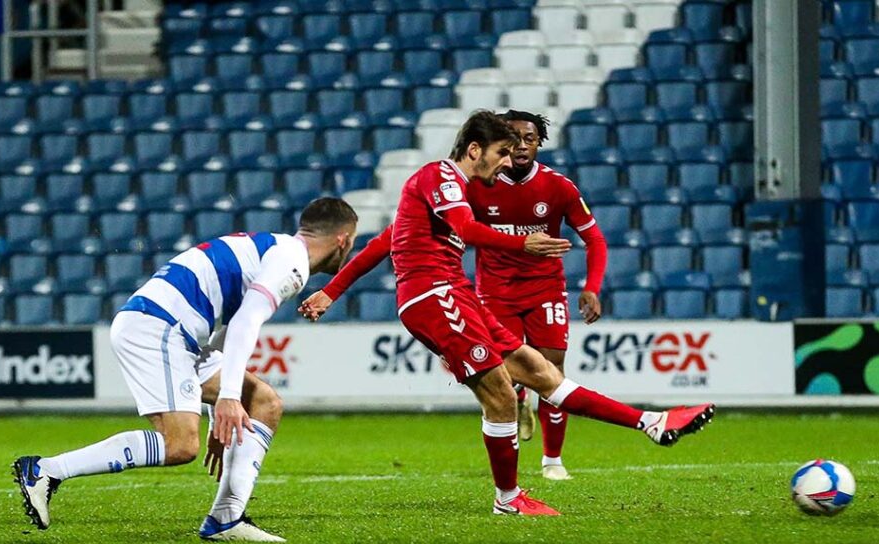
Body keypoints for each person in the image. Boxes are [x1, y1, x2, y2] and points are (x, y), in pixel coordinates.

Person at [300, 110, 716, 516]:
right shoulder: (439, 176)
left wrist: (330, 293)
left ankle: (652, 422)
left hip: (458, 293)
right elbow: (462, 231)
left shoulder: (457, 191)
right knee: (500, 395)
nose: (506, 162)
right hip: (433, 295)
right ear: (475, 150)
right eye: (501, 152)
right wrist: (523, 243)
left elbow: (383, 242)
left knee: (540, 372)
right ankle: (508, 497)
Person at [12, 197, 358, 542]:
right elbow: (246, 323)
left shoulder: (275, 249)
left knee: (264, 402)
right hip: (160, 328)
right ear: (342, 239)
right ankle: (46, 470)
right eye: (353, 242)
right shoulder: (292, 264)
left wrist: (217, 410)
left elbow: (227, 328)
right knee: (179, 445)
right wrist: (228, 397)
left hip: (176, 330)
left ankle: (226, 519)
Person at [466, 109, 607, 481]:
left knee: (553, 371)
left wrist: (591, 288)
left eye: (530, 138)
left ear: (539, 143)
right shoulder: (479, 185)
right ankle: (517, 399)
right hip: (495, 293)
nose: (522, 145)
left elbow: (595, 239)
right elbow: (460, 232)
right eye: (514, 139)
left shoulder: (558, 187)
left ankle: (552, 461)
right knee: (502, 376)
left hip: (545, 291)